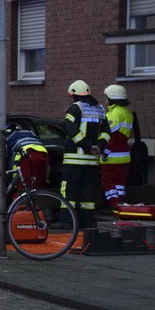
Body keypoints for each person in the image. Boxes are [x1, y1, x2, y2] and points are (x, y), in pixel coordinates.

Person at [60, 80, 110, 229]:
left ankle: (67, 221)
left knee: (68, 188)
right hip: (92, 160)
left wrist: (88, 147)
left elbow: (72, 132)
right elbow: (107, 133)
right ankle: (87, 221)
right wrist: (98, 146)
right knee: (88, 190)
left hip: (74, 159)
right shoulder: (100, 109)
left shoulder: (74, 109)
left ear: (74, 94)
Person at [101, 84, 133, 207]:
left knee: (107, 182)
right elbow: (123, 136)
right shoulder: (127, 113)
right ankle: (121, 202)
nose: (106, 100)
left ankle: (114, 204)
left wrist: (105, 151)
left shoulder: (114, 114)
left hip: (112, 156)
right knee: (119, 182)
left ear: (112, 98)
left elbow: (112, 136)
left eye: (107, 98)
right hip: (124, 155)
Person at [6, 124, 50, 195]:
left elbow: (1, 157)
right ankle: (36, 203)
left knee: (22, 188)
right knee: (37, 184)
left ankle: (22, 204)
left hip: (25, 157)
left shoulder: (5, 137)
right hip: (42, 153)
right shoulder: (29, 132)